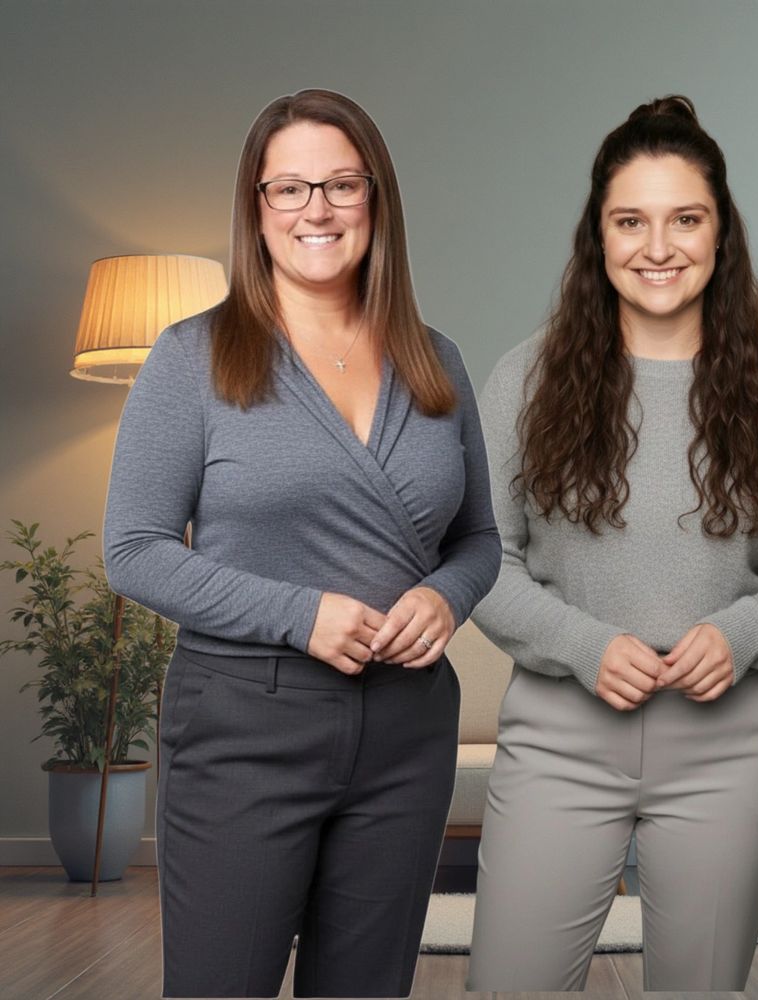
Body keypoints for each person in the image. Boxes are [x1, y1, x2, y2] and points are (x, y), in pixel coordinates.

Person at [103, 89, 500, 999]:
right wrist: (298, 615)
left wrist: (446, 596)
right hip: (245, 726)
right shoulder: (191, 358)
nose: (315, 210)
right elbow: (133, 548)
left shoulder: (438, 363)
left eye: (340, 185)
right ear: (257, 209)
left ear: (377, 201)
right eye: (288, 189)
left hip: (407, 732)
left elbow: (479, 538)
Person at [466, 95, 758, 992]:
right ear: (596, 237)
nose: (658, 246)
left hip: (728, 749)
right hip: (560, 739)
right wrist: (584, 645)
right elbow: (484, 552)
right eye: (629, 220)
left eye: (686, 218)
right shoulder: (524, 379)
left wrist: (744, 631)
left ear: (723, 234)